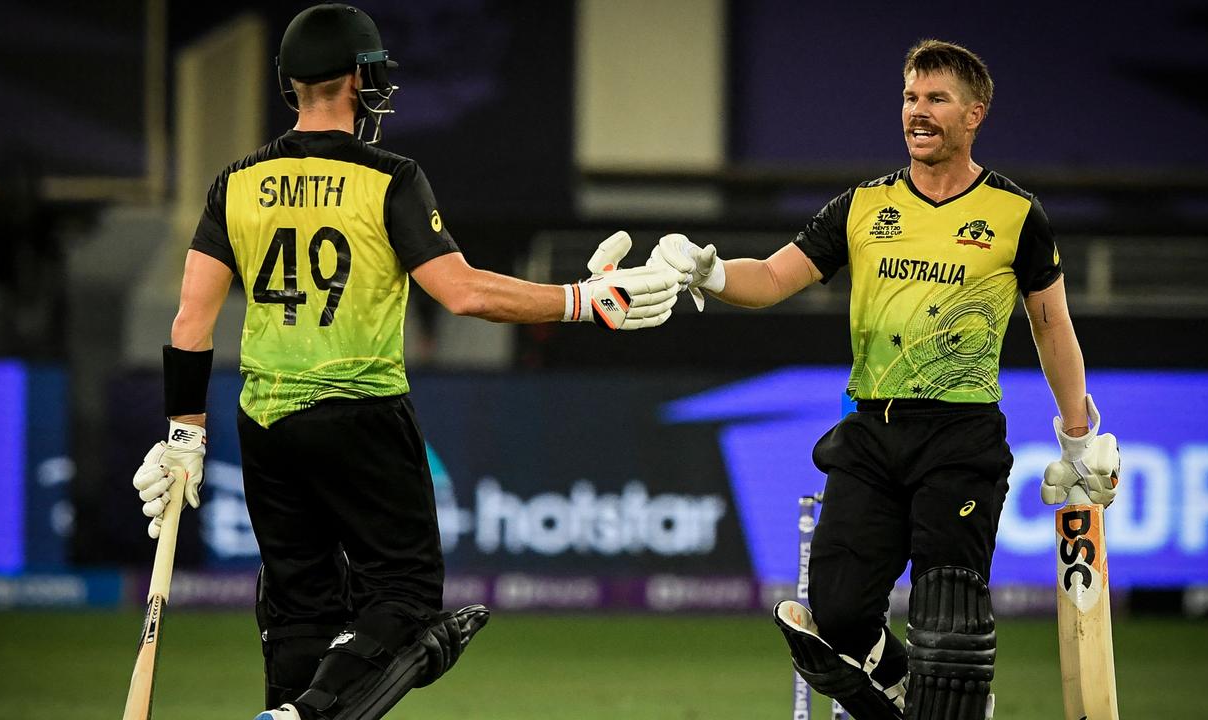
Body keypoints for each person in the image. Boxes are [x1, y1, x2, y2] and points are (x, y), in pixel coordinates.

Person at [129, 5, 686, 720]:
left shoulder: (235, 182)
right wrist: (583, 300)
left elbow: (190, 321)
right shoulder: (389, 178)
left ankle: (287, 708)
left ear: (291, 83)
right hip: (360, 412)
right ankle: (306, 715)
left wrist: (183, 434)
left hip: (265, 422)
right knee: (407, 599)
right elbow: (462, 293)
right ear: (360, 78)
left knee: (300, 609)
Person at [652, 40, 1119, 719]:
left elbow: (1052, 326)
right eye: (909, 97)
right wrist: (712, 271)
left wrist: (1079, 439)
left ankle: (948, 693)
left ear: (974, 114)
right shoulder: (862, 206)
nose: (917, 112)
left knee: (947, 622)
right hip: (872, 432)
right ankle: (901, 689)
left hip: (961, 438)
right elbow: (776, 277)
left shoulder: (1017, 214)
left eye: (936, 99)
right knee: (837, 613)